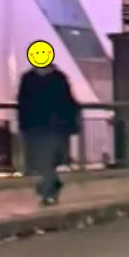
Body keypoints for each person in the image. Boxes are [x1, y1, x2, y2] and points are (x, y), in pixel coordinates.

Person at [16, 54, 80, 206]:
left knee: (46, 162)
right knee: (45, 162)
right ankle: (50, 189)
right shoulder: (55, 78)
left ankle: (48, 191)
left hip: (49, 127)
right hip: (42, 127)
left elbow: (23, 103)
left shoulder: (32, 78)